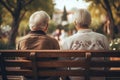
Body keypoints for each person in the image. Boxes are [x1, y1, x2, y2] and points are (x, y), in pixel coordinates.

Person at [60, 9, 109, 80]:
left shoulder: (67, 41)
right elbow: (107, 64)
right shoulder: (103, 38)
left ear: (75, 22)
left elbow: (63, 67)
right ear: (90, 22)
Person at [16, 10, 60, 80]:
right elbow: (58, 64)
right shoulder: (53, 41)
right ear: (46, 26)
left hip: (27, 78)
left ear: (30, 25)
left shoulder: (20, 42)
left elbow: (19, 63)